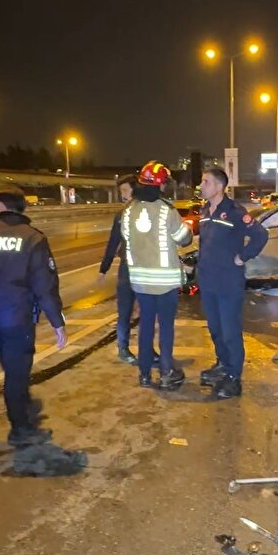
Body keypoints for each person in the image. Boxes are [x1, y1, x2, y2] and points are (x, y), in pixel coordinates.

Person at [0, 189, 85, 474]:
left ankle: (22, 407)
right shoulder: (32, 238)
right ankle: (21, 429)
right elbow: (44, 286)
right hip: (16, 318)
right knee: (16, 375)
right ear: (22, 208)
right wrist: (57, 322)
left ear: (0, 207)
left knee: (12, 369)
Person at [195, 168, 269, 399]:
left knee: (230, 331)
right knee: (215, 329)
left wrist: (243, 256)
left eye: (206, 182)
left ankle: (234, 378)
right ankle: (223, 365)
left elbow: (261, 235)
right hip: (208, 281)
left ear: (219, 186)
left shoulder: (236, 211)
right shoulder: (206, 210)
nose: (201, 185)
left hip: (229, 282)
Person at [121, 161, 193, 390]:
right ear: (161, 184)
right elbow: (184, 238)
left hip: (140, 282)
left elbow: (127, 239)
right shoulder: (166, 210)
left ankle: (144, 374)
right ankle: (166, 371)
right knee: (166, 328)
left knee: (145, 327)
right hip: (165, 283)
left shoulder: (128, 210)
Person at [99, 176, 139, 364]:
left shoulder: (146, 211)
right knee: (124, 311)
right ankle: (123, 348)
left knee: (147, 312)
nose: (122, 195)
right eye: (121, 191)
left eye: (125, 190)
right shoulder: (121, 215)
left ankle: (148, 350)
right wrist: (104, 268)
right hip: (126, 269)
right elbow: (113, 241)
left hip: (145, 268)